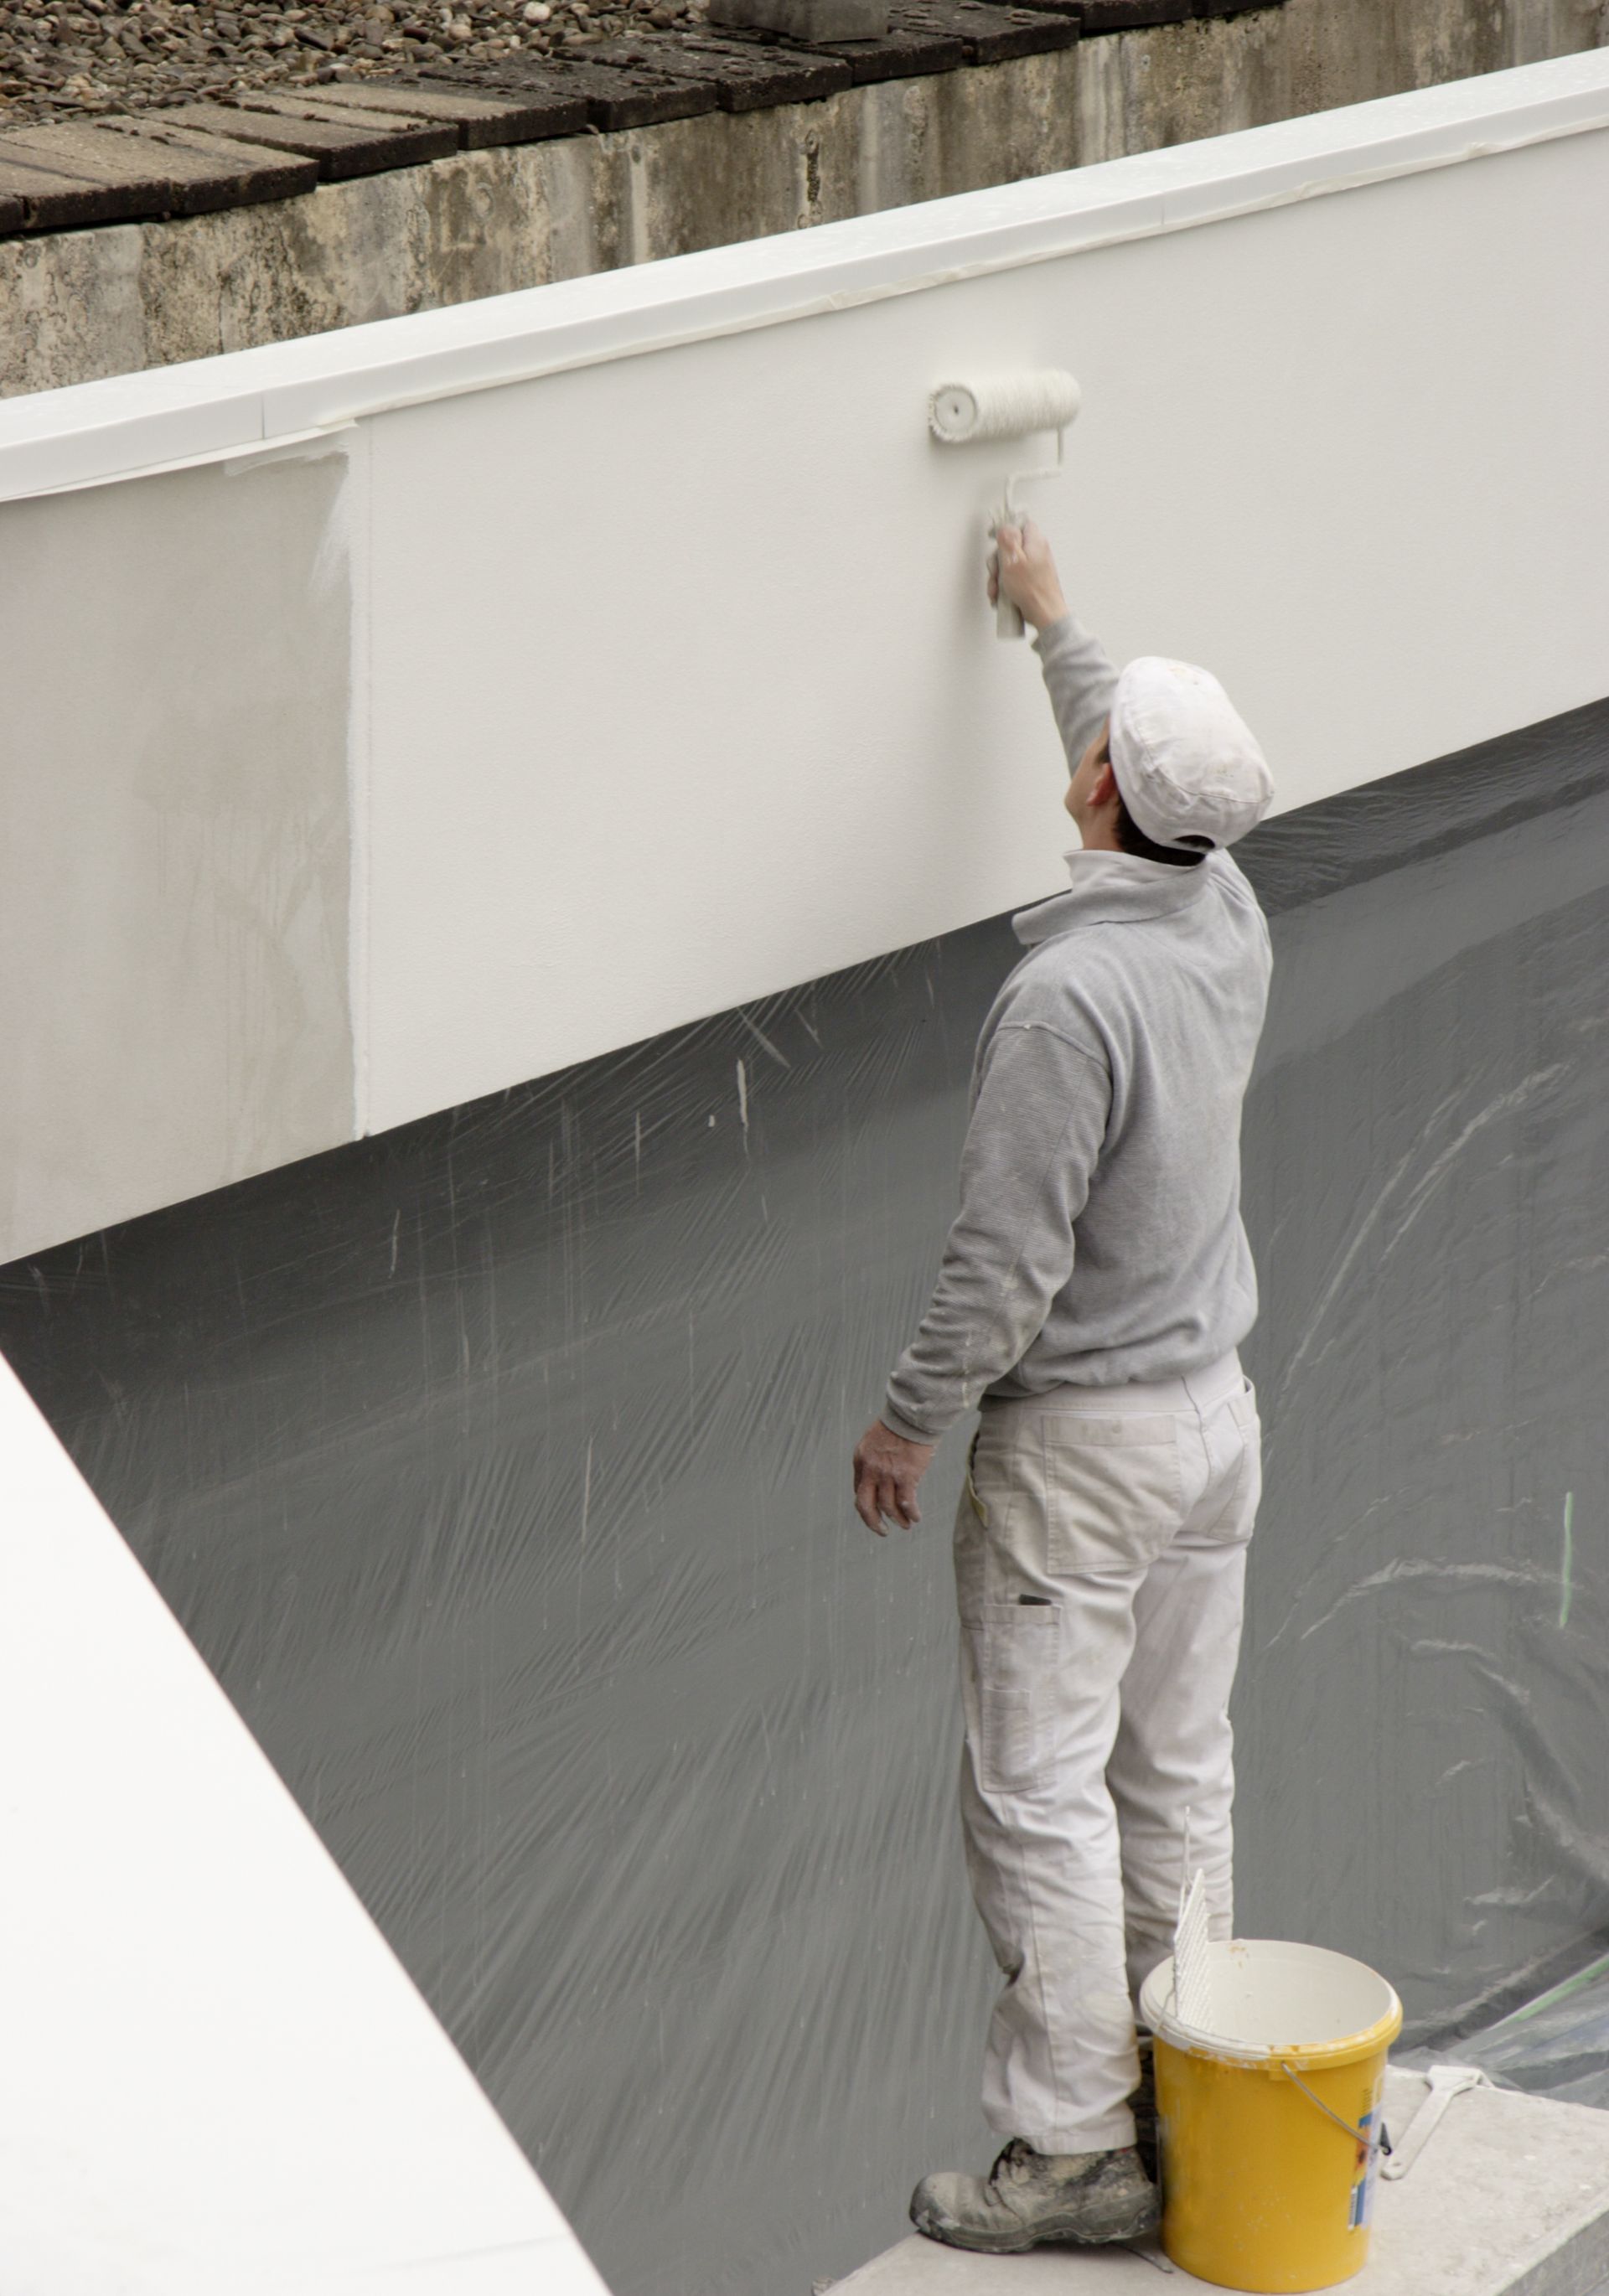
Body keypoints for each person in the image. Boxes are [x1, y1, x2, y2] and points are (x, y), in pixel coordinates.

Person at [850, 515, 1275, 2254]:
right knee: (1176, 1770)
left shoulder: (1064, 1003)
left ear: (1097, 787)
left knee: (1040, 1788)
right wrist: (1053, 628)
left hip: (1081, 1446)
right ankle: (1199, 2086)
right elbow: (1148, 770)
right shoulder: (1224, 911)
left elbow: (1005, 1262)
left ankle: (1078, 2142)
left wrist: (906, 1415)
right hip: (1213, 1422)